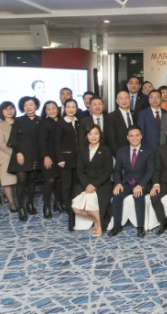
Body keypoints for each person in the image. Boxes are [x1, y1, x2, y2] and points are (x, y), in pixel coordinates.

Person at [108, 126, 154, 238]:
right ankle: (116, 226)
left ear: (141, 136)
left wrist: (141, 185)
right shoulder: (121, 151)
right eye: (131, 136)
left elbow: (150, 171)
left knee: (138, 195)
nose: (134, 138)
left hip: (142, 183)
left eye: (137, 135)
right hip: (127, 183)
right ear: (127, 137)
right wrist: (118, 183)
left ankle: (140, 226)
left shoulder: (148, 151)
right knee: (117, 194)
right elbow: (117, 170)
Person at [72, 125, 112, 237]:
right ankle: (97, 221)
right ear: (86, 136)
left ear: (100, 135)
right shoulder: (82, 150)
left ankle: (98, 225)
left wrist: (94, 185)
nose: (93, 136)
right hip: (85, 182)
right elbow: (80, 170)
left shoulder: (106, 150)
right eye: (90, 134)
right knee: (75, 208)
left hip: (102, 183)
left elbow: (108, 171)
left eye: (96, 133)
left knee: (99, 202)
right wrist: (87, 185)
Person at [7, 96, 42, 222]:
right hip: (21, 155)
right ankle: (21, 207)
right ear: (22, 107)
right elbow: (12, 139)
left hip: (36, 154)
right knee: (21, 180)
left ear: (36, 106)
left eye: (31, 104)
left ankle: (30, 204)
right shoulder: (18, 120)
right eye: (26, 105)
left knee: (32, 181)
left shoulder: (40, 120)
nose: (28, 107)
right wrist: (18, 153)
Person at [56, 99, 82, 228]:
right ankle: (70, 211)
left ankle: (76, 208)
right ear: (64, 108)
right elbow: (57, 143)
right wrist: (60, 159)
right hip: (65, 160)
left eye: (73, 107)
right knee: (66, 186)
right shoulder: (60, 123)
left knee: (76, 185)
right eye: (68, 107)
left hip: (78, 159)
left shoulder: (78, 122)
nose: (71, 109)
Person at [38, 101, 62, 219]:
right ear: (45, 111)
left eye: (54, 108)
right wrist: (46, 156)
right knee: (50, 180)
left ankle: (58, 203)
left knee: (59, 181)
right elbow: (41, 142)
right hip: (49, 156)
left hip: (60, 156)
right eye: (49, 109)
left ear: (58, 109)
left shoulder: (62, 121)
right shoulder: (44, 123)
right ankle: (46, 206)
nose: (52, 111)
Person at [0, 101, 18, 212]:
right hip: (5, 155)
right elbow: (1, 144)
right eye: (6, 109)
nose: (9, 111)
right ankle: (12, 203)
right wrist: (14, 153)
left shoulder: (19, 123)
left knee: (18, 181)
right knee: (7, 181)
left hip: (20, 155)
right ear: (1, 112)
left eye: (11, 108)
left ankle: (18, 201)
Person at [106, 90, 137, 157]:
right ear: (117, 101)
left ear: (130, 99)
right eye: (121, 98)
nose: (124, 101)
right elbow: (111, 140)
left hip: (135, 153)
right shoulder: (111, 117)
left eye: (126, 98)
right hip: (119, 153)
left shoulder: (136, 114)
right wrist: (118, 155)